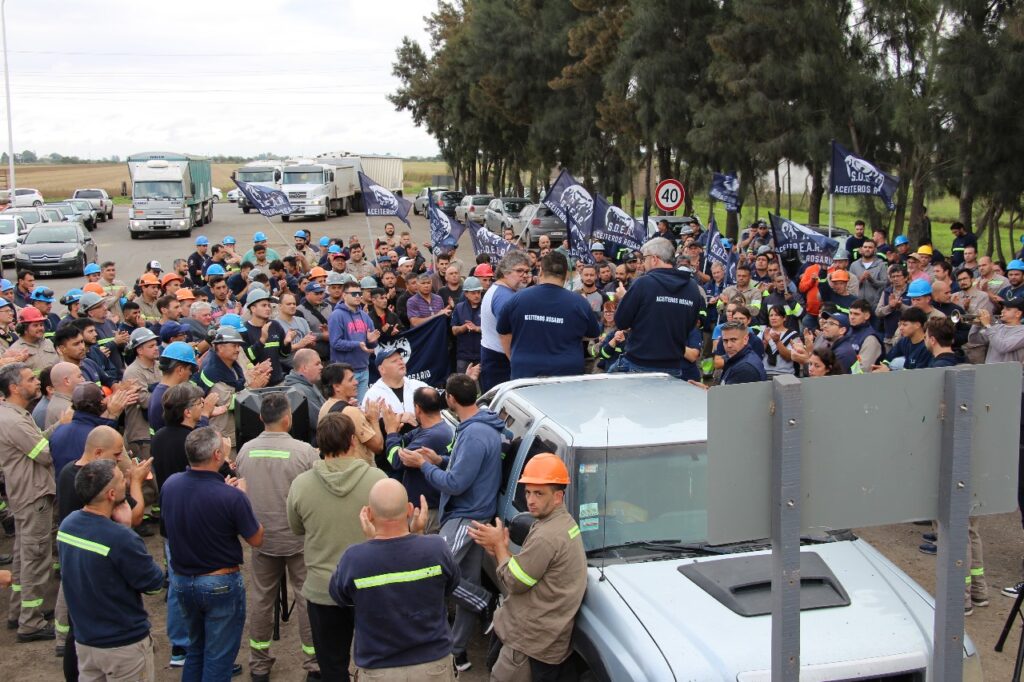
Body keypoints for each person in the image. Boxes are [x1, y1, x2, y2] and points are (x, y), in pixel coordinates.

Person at [397, 373, 504, 672]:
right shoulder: (475, 428)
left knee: (432, 571)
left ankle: (488, 604)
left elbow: (456, 483)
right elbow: (466, 466)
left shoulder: (474, 434)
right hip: (473, 514)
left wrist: (424, 466)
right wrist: (440, 459)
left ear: (453, 400)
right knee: (463, 580)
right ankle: (457, 652)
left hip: (466, 517)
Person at [468, 453, 587, 681]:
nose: (530, 500)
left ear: (558, 496)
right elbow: (532, 570)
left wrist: (498, 547)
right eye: (528, 492)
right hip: (545, 642)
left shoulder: (547, 535)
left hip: (527, 645)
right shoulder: (564, 523)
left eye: (539, 493)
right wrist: (501, 550)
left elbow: (515, 581)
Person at [287, 412, 387, 681]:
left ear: (319, 445)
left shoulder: (301, 485)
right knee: (379, 663)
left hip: (323, 590)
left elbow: (297, 529)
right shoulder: (378, 481)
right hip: (369, 587)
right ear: (353, 441)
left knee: (331, 667)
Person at [161, 427, 264, 680]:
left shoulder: (171, 485)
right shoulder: (231, 497)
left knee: (196, 649)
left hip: (183, 581)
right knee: (219, 658)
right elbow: (256, 538)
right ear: (217, 454)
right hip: (220, 583)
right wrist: (241, 498)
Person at [328, 479, 455, 681]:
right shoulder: (437, 549)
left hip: (378, 670)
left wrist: (371, 542)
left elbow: (340, 597)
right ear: (409, 509)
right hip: (433, 667)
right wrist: (419, 533)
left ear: (368, 514)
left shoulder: (354, 559)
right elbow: (448, 587)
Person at [235, 393, 320, 681]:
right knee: (307, 599)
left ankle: (258, 665)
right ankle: (314, 664)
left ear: (260, 418)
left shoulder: (245, 450)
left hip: (261, 540)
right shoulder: (304, 451)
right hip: (298, 540)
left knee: (260, 600)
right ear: (289, 418)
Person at [57, 460, 164, 682]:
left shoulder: (67, 525)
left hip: (85, 642)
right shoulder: (120, 537)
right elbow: (153, 584)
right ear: (111, 494)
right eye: (121, 480)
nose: (126, 481)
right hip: (123, 644)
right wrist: (126, 529)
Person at [0, 362, 68, 642]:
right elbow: (44, 452)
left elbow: (36, 441)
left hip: (26, 493)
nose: (36, 382)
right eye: (30, 379)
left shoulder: (13, 414)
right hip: (33, 494)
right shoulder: (13, 420)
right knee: (36, 559)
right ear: (15, 387)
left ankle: (19, 613)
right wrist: (61, 427)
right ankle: (31, 622)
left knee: (24, 556)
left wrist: (54, 426)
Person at [497, 251, 601, 379]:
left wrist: (514, 359)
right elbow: (593, 333)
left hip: (525, 372)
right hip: (565, 374)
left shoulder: (517, 299)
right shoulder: (580, 303)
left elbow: (503, 332)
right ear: (566, 275)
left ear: (541, 272)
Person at [613, 237, 705, 377]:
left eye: (644, 259)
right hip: (673, 366)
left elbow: (621, 321)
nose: (642, 264)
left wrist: (624, 298)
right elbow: (690, 325)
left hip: (639, 364)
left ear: (654, 259)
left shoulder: (643, 283)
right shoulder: (692, 287)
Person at [383, 387, 454, 533]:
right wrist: (396, 432)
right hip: (427, 506)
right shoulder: (435, 428)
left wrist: (390, 432)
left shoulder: (431, 436)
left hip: (426, 512)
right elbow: (404, 441)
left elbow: (396, 460)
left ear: (417, 408)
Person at [480, 252, 531, 391]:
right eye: (519, 271)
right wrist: (516, 364)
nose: (525, 275)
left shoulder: (503, 291)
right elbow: (507, 333)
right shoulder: (504, 296)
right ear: (505, 272)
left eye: (527, 271)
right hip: (501, 361)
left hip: (497, 358)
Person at [328, 281, 380, 401]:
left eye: (359, 293)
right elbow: (335, 343)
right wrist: (358, 344)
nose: (358, 296)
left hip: (363, 368)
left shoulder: (364, 316)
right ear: (344, 295)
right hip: (344, 372)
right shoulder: (337, 315)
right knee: (345, 406)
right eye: (354, 294)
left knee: (361, 406)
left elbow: (371, 343)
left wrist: (371, 341)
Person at [362, 348, 429, 419]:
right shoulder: (373, 395)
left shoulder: (419, 386)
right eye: (394, 361)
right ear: (382, 369)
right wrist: (399, 419)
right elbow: (368, 425)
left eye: (401, 359)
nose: (401, 362)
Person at [282, 348, 325, 445]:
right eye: (317, 364)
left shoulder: (309, 384)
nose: (321, 367)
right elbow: (321, 422)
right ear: (304, 368)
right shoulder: (299, 391)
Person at [11, 306, 60, 376]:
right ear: (24, 329)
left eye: (41, 325)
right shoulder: (16, 349)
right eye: (35, 325)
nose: (40, 328)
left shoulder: (48, 343)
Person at [718, 320, 767, 385]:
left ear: (745, 339)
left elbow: (727, 394)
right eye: (725, 341)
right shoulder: (739, 358)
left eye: (733, 340)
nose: (729, 345)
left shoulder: (745, 368)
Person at [451, 276, 483, 373]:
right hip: (464, 355)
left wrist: (477, 328)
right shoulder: (459, 308)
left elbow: (493, 329)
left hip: (482, 354)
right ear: (466, 294)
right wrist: (464, 327)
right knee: (462, 385)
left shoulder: (486, 306)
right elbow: (454, 330)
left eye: (478, 292)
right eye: (473, 293)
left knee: (485, 386)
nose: (477, 295)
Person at [847, 239, 888, 309]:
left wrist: (872, 280)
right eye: (865, 247)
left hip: (875, 306)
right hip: (857, 306)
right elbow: (849, 286)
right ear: (861, 249)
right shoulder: (854, 265)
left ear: (875, 250)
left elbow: (885, 284)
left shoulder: (881, 265)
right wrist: (860, 280)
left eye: (870, 247)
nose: (867, 249)